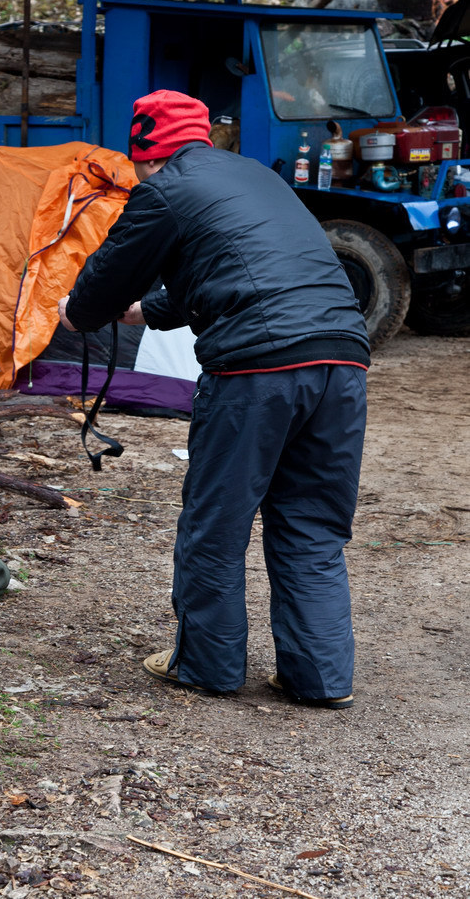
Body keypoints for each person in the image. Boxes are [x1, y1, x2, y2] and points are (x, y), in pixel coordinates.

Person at [58, 90, 370, 708]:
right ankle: (320, 677)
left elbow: (99, 287)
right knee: (311, 524)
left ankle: (206, 664)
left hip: (257, 371)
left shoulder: (162, 190)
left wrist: (79, 312)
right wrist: (151, 310)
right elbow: (248, 266)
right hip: (342, 359)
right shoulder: (253, 177)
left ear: (143, 153)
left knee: (217, 523)